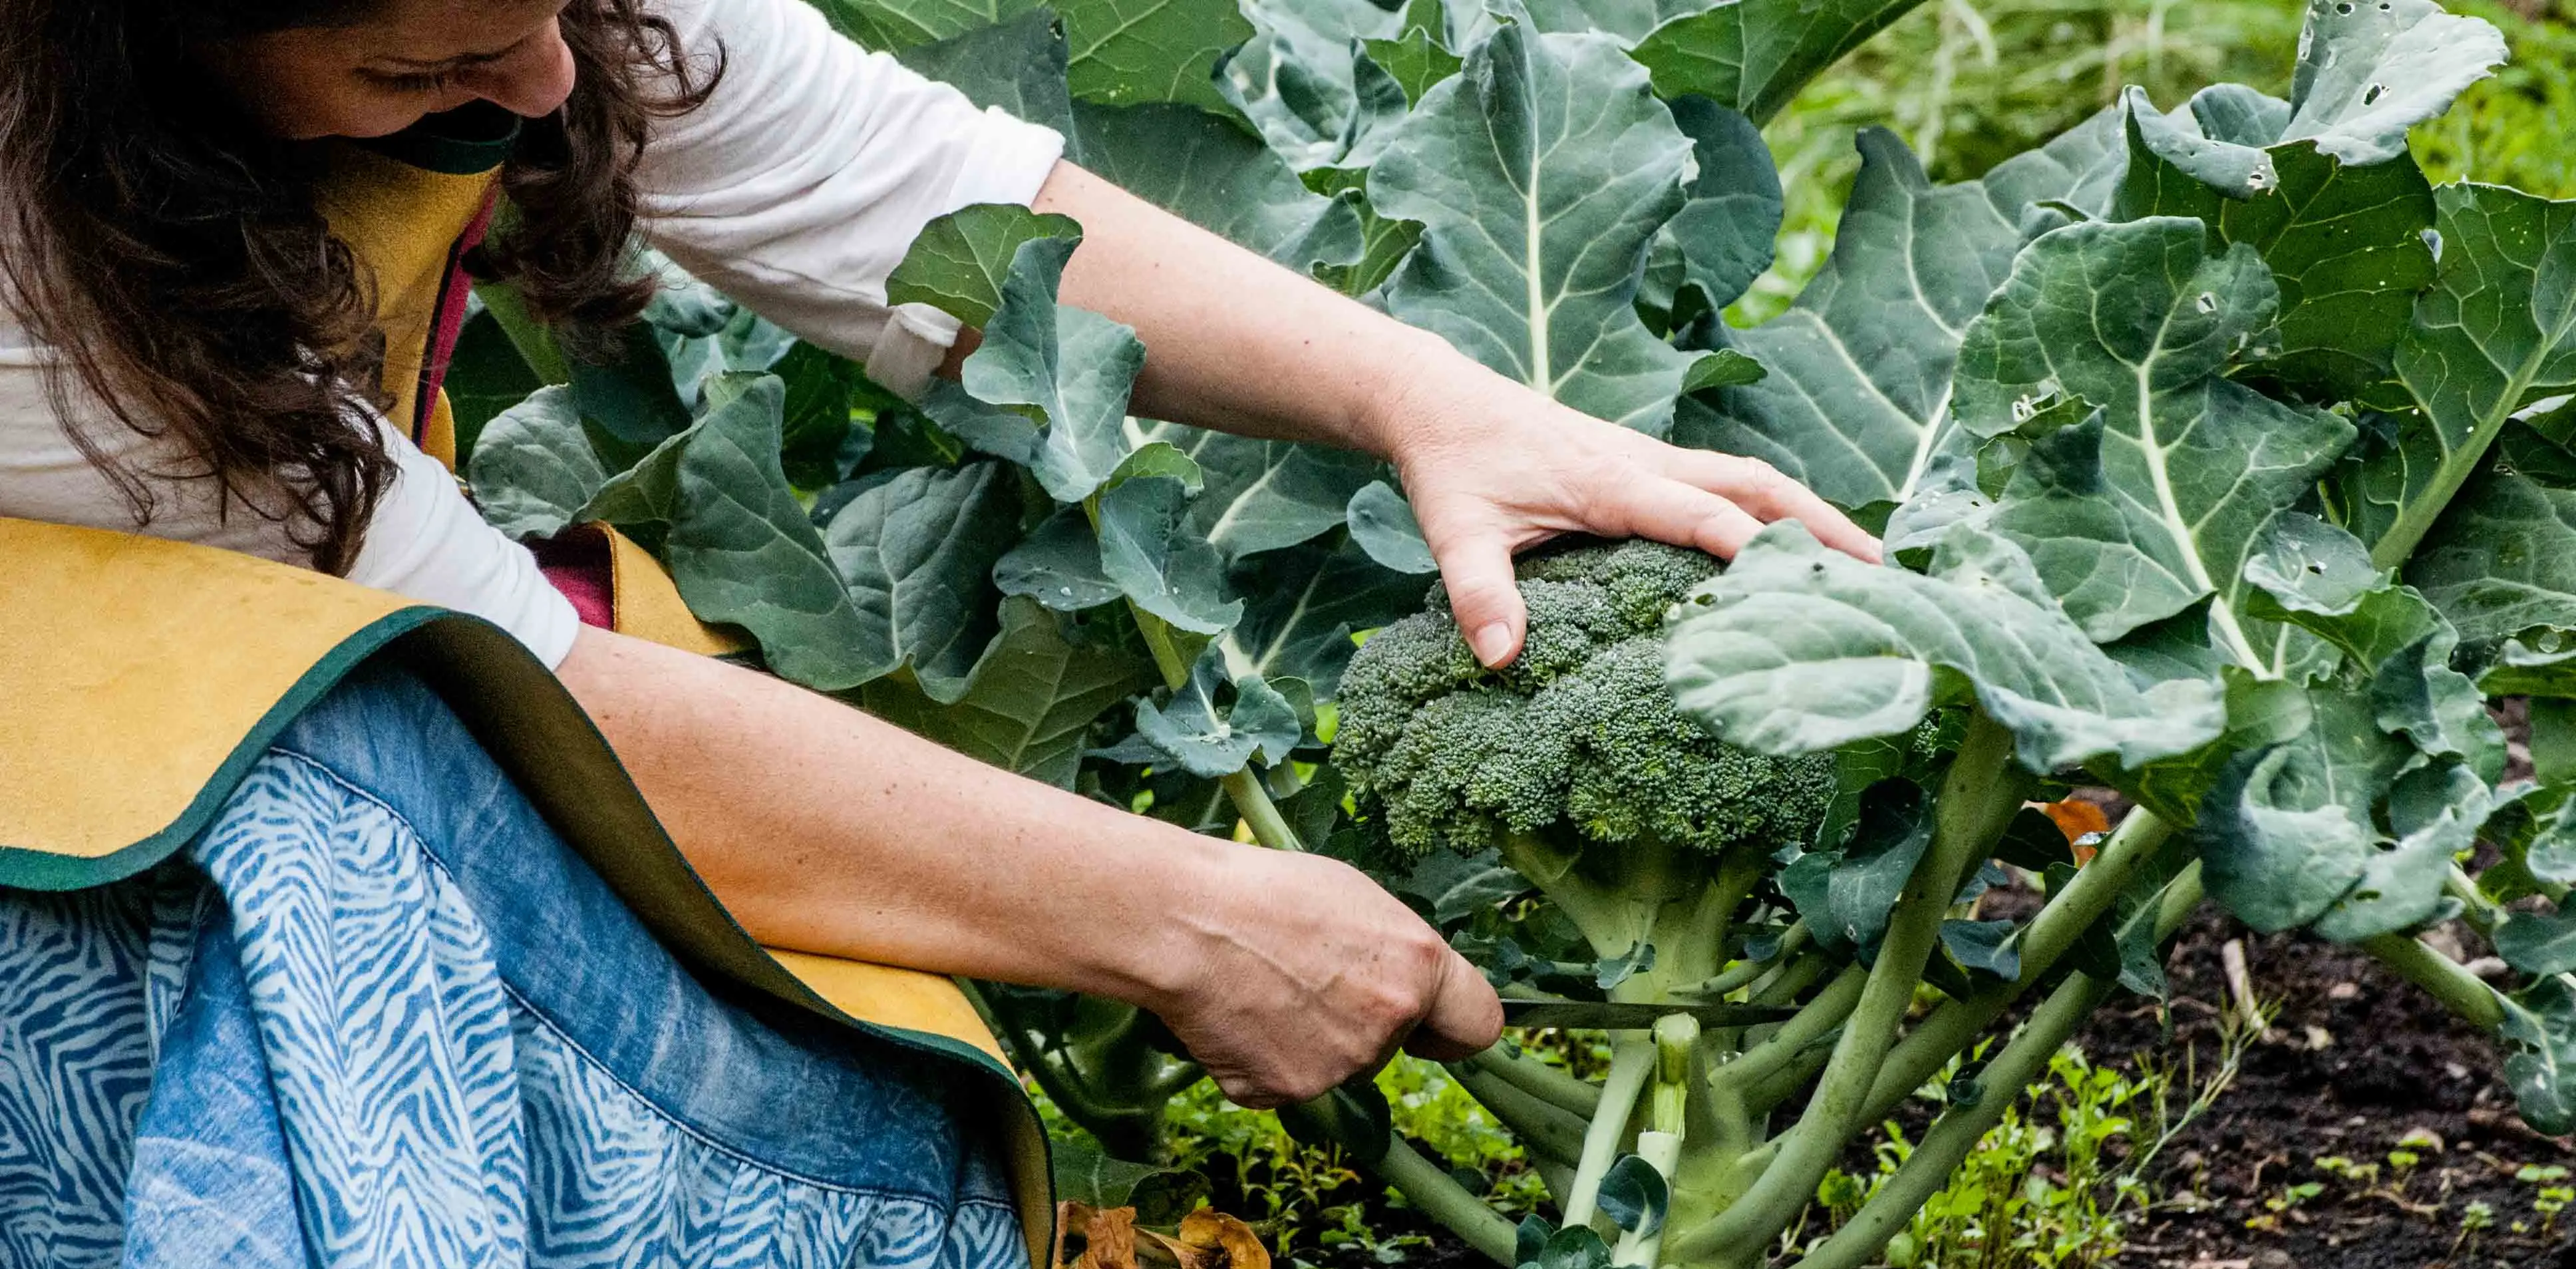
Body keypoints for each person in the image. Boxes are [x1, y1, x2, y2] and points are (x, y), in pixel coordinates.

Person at [2, 0, 1877, 1109]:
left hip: (330, 613)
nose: (561, 85)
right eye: (450, 62)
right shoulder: (32, 283)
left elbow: (912, 197)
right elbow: (482, 694)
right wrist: (1194, 919)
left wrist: (1438, 402)